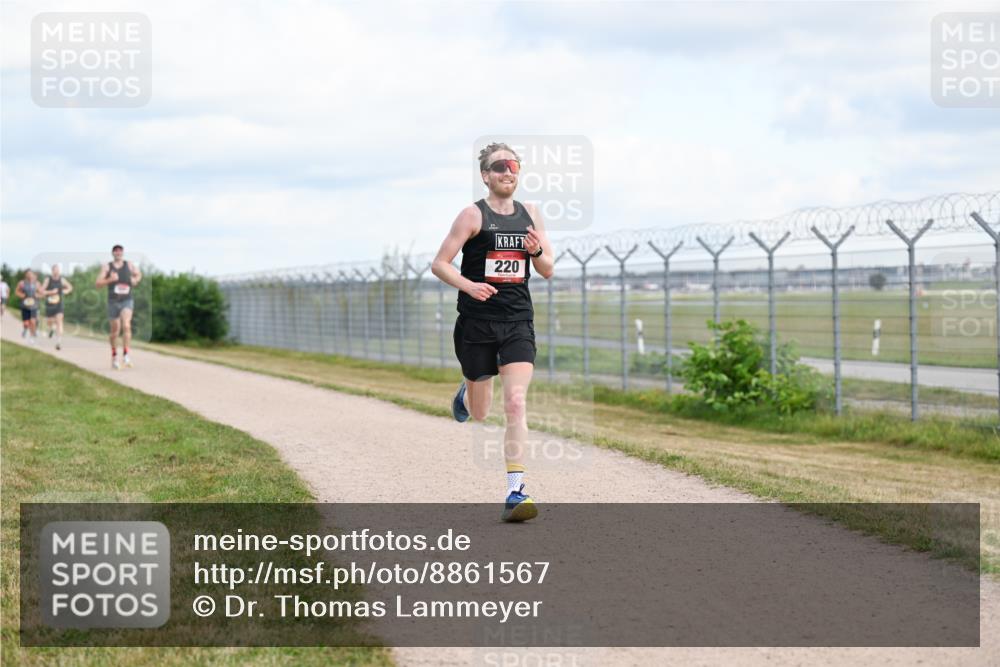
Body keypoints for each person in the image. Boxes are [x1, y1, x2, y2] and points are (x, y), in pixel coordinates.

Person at [431, 142, 554, 523]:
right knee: (481, 412)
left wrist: (535, 253)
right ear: (486, 175)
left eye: (513, 165)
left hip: (517, 321)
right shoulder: (472, 215)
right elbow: (440, 263)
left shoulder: (530, 213)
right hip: (476, 323)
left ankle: (515, 491)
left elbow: (548, 268)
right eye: (499, 166)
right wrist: (469, 286)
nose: (508, 171)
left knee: (515, 403)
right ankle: (467, 394)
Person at [95, 245, 141, 370]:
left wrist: (135, 279)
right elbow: (98, 284)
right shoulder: (107, 267)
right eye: (116, 250)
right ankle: (114, 356)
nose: (118, 252)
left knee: (126, 325)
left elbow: (138, 275)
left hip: (127, 300)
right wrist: (110, 279)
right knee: (115, 332)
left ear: (123, 253)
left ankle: (126, 355)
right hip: (113, 302)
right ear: (112, 253)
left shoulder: (129, 265)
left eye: (120, 250)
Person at [41, 264, 74, 351]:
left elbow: (70, 287)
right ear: (52, 271)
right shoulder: (48, 280)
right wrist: (50, 292)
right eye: (55, 269)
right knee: (50, 321)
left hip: (59, 304)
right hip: (50, 304)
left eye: (58, 269)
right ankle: (52, 328)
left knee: (59, 321)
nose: (56, 271)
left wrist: (65, 291)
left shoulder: (62, 280)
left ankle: (58, 342)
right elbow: (42, 291)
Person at [15, 270, 42, 343]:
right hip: (25, 306)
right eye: (28, 274)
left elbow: (42, 293)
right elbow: (16, 292)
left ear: (33, 275)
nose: (30, 275)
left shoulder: (37, 284)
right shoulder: (22, 283)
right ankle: (25, 329)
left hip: (34, 306)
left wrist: (38, 295)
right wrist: (22, 295)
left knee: (33, 321)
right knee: (26, 323)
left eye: (31, 274)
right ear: (26, 275)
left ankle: (31, 337)